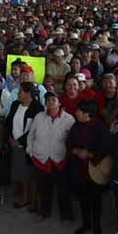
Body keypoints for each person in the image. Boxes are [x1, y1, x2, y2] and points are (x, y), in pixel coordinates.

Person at [26, 91, 75, 222]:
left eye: (54, 99)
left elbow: (73, 140)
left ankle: (66, 216)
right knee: (43, 189)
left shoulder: (68, 119)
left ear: (59, 102)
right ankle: (44, 212)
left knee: (63, 190)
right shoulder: (39, 117)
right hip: (41, 159)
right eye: (48, 100)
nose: (50, 102)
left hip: (59, 160)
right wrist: (31, 152)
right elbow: (31, 136)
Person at [67, 100, 110, 234]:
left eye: (79, 111)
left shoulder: (100, 127)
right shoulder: (76, 126)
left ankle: (97, 226)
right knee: (83, 198)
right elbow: (69, 142)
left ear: (87, 114)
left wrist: (90, 154)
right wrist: (75, 151)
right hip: (79, 168)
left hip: (95, 169)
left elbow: (105, 148)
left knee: (96, 200)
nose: (76, 113)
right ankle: (86, 224)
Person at [6, 82, 44, 210]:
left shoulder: (37, 107)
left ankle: (29, 200)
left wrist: (20, 142)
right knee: (19, 173)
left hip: (28, 146)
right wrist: (10, 138)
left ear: (28, 93)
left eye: (20, 91)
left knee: (28, 174)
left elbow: (34, 128)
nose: (18, 93)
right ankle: (25, 197)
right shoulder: (15, 104)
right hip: (14, 144)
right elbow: (9, 122)